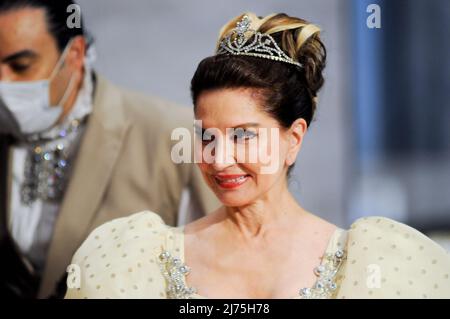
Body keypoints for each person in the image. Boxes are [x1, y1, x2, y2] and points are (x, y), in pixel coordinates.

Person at [65, 13, 450, 299]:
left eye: (243, 136)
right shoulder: (137, 258)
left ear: (293, 138)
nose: (219, 159)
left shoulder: (371, 261)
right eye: (206, 136)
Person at [0, 0, 218, 299]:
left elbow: (224, 272)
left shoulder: (173, 137)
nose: (3, 82)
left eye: (20, 66)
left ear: (74, 55)